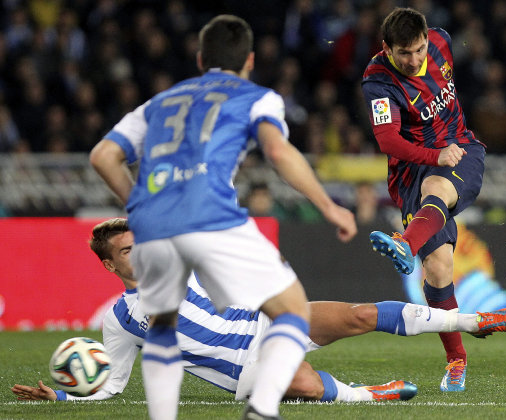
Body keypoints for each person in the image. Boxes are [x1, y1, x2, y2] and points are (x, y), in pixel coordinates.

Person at [89, 15, 357, 420]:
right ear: (249, 60)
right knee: (291, 311)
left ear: (200, 59)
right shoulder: (257, 97)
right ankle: (262, 409)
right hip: (214, 217)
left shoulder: (159, 102)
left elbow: (103, 156)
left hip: (158, 225)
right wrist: (328, 205)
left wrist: (138, 205)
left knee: (161, 324)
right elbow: (280, 153)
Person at [11, 218, 506, 403]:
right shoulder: (120, 320)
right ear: (110, 266)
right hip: (243, 371)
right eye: (126, 252)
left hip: (267, 325)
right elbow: (114, 385)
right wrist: (62, 393)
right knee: (297, 381)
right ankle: (368, 396)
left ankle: (473, 321)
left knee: (358, 314)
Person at [361, 7, 487, 392]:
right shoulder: (377, 82)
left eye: (418, 50)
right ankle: (456, 361)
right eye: (404, 53)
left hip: (461, 150)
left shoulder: (442, 42)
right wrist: (433, 156)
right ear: (387, 49)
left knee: (438, 190)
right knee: (437, 268)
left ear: (427, 38)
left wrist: (443, 154)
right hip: (413, 171)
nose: (414, 60)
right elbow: (387, 140)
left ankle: (405, 244)